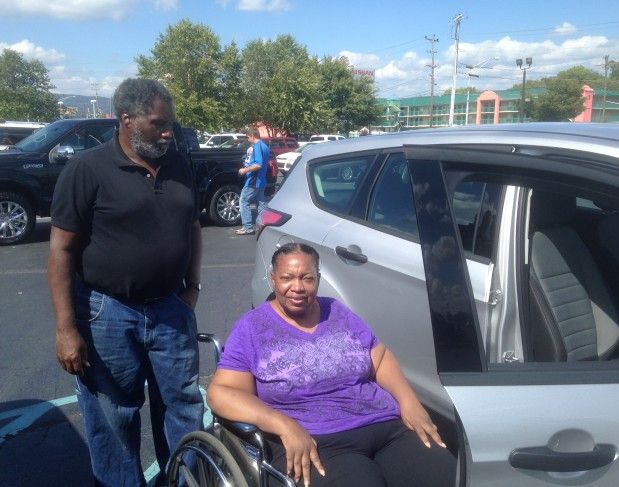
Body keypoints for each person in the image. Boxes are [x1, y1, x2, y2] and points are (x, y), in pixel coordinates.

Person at [48, 78, 204, 487]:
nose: (168, 133)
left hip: (171, 309)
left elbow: (193, 228)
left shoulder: (179, 165)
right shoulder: (87, 169)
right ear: (127, 119)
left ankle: (182, 481)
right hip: (108, 313)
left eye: (170, 124)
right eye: (158, 124)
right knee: (113, 416)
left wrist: (192, 287)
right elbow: (62, 249)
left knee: (183, 407)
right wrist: (66, 328)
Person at [208, 243, 456, 487]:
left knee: (445, 476)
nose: (297, 287)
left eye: (307, 278)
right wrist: (282, 424)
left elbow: (379, 358)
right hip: (317, 439)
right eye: (287, 278)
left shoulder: (337, 311)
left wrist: (409, 402)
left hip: (384, 424)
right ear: (273, 279)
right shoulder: (253, 327)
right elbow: (221, 393)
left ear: (317, 278)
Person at [235, 127, 269, 235]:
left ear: (253, 136)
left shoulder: (257, 146)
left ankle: (247, 227)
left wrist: (244, 170)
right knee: (261, 205)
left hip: (253, 181)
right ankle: (264, 227)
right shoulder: (265, 146)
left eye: (248, 137)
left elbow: (258, 165)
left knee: (243, 201)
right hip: (261, 180)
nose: (248, 139)